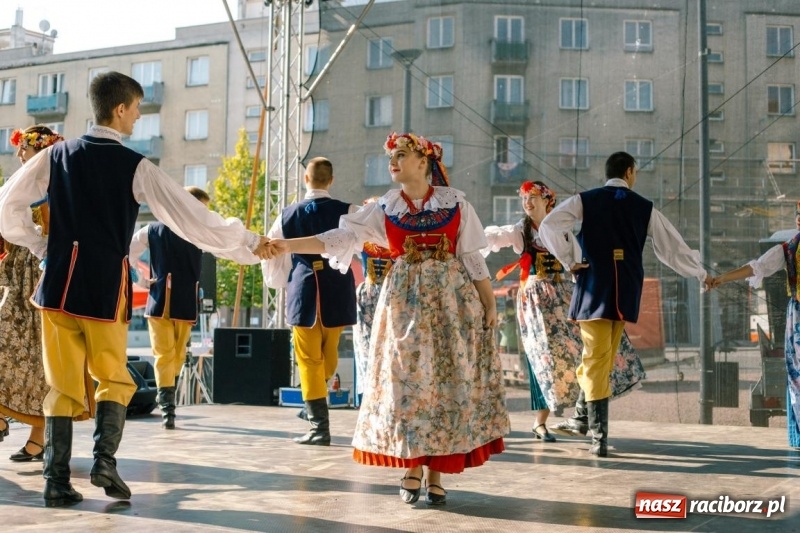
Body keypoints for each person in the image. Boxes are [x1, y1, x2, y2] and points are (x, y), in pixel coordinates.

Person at [0, 71, 268, 507]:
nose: (138, 117)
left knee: (62, 385)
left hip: (57, 285)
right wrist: (250, 243)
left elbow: (7, 204)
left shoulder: (56, 157)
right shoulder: (134, 165)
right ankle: (104, 462)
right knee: (112, 378)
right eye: (137, 108)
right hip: (105, 285)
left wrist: (40, 244)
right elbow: (191, 218)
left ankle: (56, 480)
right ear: (121, 109)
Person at [263, 132, 509, 506]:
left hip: (451, 306)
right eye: (391, 156)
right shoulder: (385, 207)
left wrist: (489, 304)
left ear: (424, 162)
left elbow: (472, 258)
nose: (392, 162)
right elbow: (338, 238)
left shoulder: (456, 203)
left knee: (445, 385)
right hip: (404, 307)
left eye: (402, 155)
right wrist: (289, 244)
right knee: (406, 386)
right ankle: (411, 467)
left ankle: (437, 472)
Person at [539, 152, 710, 457]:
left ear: (608, 172)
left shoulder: (585, 200)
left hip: (594, 289)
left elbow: (549, 225)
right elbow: (672, 248)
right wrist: (699, 272)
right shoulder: (644, 207)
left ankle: (594, 433)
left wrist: (569, 260)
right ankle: (588, 426)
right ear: (630, 172)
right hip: (626, 291)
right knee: (598, 358)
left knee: (595, 359)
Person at [483, 180, 646, 443]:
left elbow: (579, 259)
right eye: (525, 197)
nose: (528, 202)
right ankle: (540, 423)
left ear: (548, 201)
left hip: (563, 296)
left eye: (533, 197)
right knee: (541, 357)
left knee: (583, 350)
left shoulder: (563, 230)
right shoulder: (520, 231)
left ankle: (584, 414)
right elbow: (493, 237)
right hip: (535, 300)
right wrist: (467, 238)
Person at [0, 125, 88, 464]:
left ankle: (39, 437)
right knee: (6, 339)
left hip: (43, 274)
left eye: (25, 148)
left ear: (43, 150)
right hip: (14, 278)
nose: (20, 155)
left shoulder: (61, 185)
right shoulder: (16, 185)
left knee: (42, 359)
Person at [261, 157, 358, 446]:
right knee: (329, 352)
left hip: (303, 287)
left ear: (306, 179)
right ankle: (316, 410)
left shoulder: (287, 214)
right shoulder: (348, 211)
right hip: (337, 286)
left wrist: (279, 283)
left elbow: (274, 251)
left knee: (308, 358)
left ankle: (317, 423)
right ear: (331, 180)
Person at [709, 203, 800, 448]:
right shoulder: (790, 249)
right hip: (798, 318)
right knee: (797, 377)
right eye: (799, 215)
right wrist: (723, 278)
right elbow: (756, 266)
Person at [128, 186, 213, 430]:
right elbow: (130, 252)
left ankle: (167, 398)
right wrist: (141, 280)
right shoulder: (157, 229)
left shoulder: (200, 232)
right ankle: (168, 406)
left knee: (175, 355)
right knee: (165, 354)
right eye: (201, 208)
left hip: (181, 301)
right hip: (163, 301)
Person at [352, 202, 394, 408]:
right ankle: (375, 399)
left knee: (378, 348)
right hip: (383, 294)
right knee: (369, 348)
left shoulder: (364, 239)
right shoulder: (392, 238)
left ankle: (379, 399)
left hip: (381, 294)